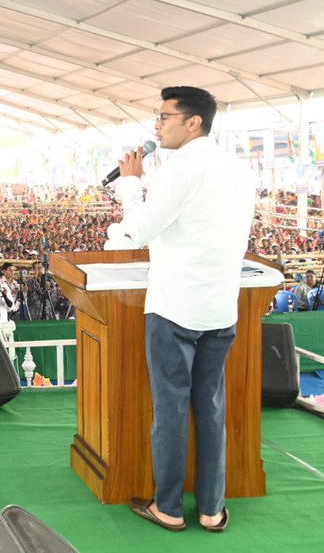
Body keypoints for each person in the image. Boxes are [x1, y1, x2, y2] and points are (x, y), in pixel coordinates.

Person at [113, 85, 253, 533]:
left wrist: (132, 181)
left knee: (171, 407)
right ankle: (212, 509)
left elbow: (137, 230)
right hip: (219, 309)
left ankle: (169, 507)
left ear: (193, 122)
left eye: (164, 117)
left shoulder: (179, 168)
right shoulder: (238, 169)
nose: (157, 125)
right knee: (210, 407)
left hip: (175, 309)